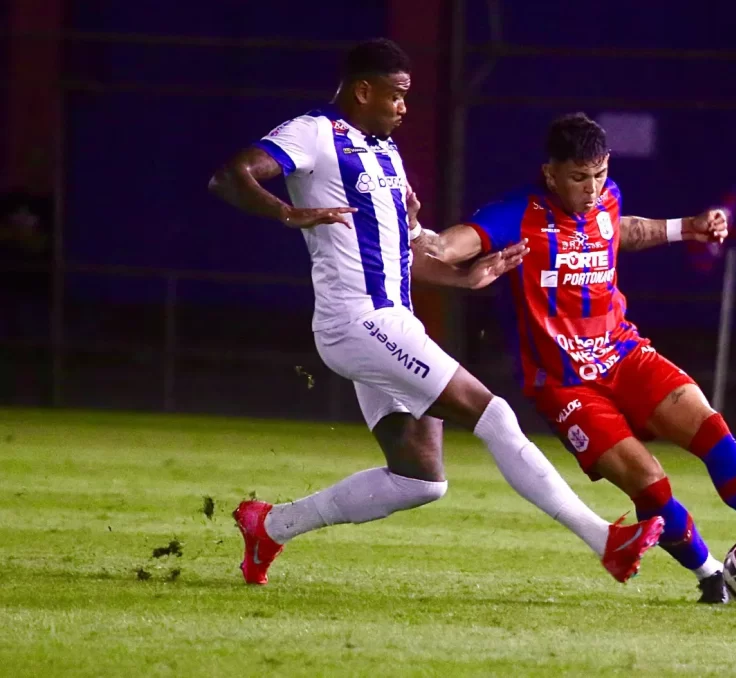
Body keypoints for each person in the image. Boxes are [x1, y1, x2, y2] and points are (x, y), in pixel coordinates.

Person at [207, 40, 664, 586]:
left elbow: (400, 256)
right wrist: (289, 213)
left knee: (421, 479)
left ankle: (270, 527)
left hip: (388, 321)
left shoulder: (386, 155)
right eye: (397, 95)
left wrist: (463, 277)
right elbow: (231, 176)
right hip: (360, 321)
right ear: (363, 90)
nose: (404, 107)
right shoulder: (313, 133)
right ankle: (605, 541)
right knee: (494, 415)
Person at [413, 112, 736, 603]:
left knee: (710, 429)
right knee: (648, 481)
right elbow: (448, 246)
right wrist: (419, 233)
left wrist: (688, 228)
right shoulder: (518, 213)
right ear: (551, 173)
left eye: (598, 175)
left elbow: (622, 229)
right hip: (565, 384)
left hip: (624, 353)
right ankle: (710, 575)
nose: (591, 189)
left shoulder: (607, 197)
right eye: (577, 178)